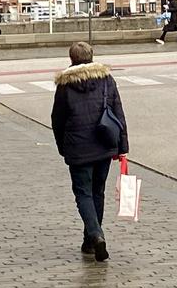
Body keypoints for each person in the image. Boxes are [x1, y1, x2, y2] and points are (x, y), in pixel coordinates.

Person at [51, 41, 127, 262]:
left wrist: (62, 147)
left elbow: (57, 119)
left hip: (78, 148)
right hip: (104, 144)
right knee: (97, 192)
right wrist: (122, 147)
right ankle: (91, 241)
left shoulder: (65, 86)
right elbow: (118, 113)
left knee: (83, 193)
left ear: (72, 59)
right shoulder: (106, 80)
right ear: (92, 57)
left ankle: (95, 235)